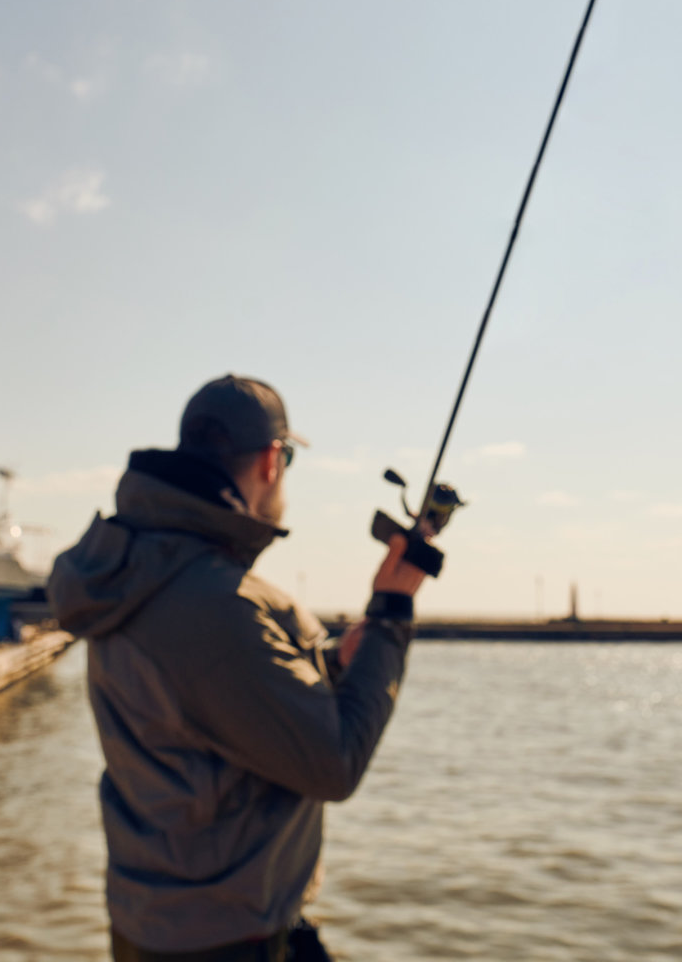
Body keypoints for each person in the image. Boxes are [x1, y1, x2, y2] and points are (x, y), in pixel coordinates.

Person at [48, 375, 431, 961]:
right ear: (272, 462)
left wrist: (326, 664)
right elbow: (334, 763)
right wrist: (391, 615)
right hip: (222, 939)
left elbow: (203, 708)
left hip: (161, 921)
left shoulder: (140, 569)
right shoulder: (213, 603)